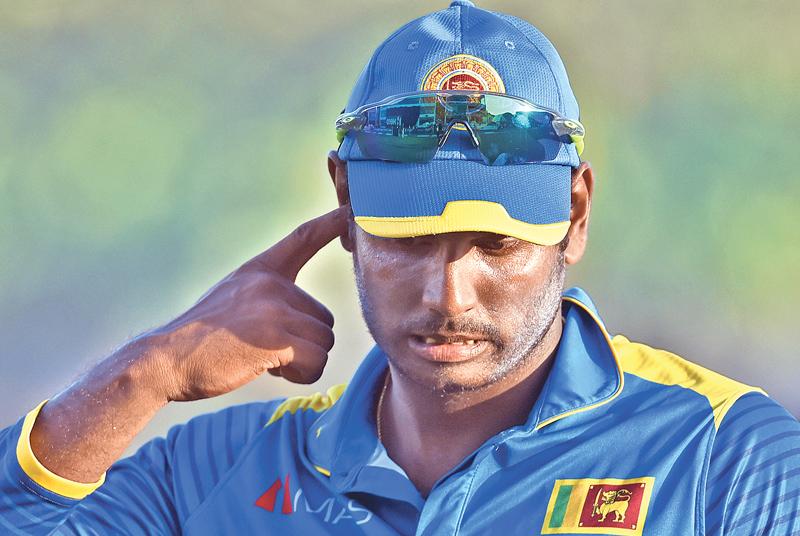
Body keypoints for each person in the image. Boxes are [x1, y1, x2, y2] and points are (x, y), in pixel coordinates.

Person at [1, 1, 798, 534]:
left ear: (575, 215)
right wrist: (148, 372)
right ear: (344, 204)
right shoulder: (221, 471)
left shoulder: (724, 454)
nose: (445, 295)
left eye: (496, 244)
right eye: (406, 242)